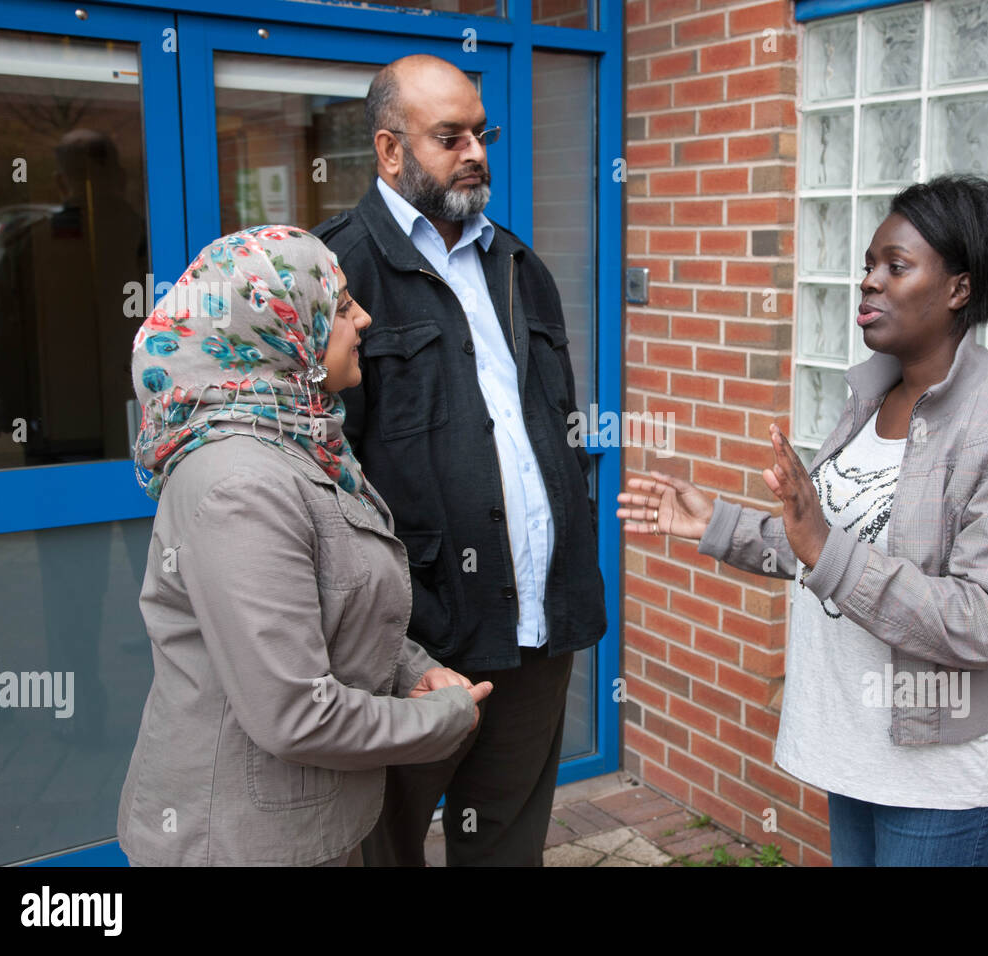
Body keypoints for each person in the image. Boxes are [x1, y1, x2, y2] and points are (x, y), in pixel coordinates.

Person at [618, 175, 988, 867]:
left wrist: (825, 545)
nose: (869, 284)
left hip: (943, 769)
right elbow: (826, 547)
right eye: (867, 266)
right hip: (856, 745)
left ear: (958, 289)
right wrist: (718, 523)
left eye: (896, 266)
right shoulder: (872, 395)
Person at [117, 226, 491, 866]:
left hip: (301, 827)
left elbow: (328, 603)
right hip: (238, 844)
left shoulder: (298, 437)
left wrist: (412, 669)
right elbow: (295, 713)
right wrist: (443, 720)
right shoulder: (241, 483)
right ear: (278, 329)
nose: (363, 318)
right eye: (341, 305)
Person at [312, 55, 607, 866]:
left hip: (537, 626)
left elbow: (553, 427)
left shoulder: (519, 267)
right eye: (450, 137)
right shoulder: (333, 273)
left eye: (483, 132)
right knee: (384, 847)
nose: (475, 151)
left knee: (507, 847)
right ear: (389, 151)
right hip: (412, 641)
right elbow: (319, 474)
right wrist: (386, 643)